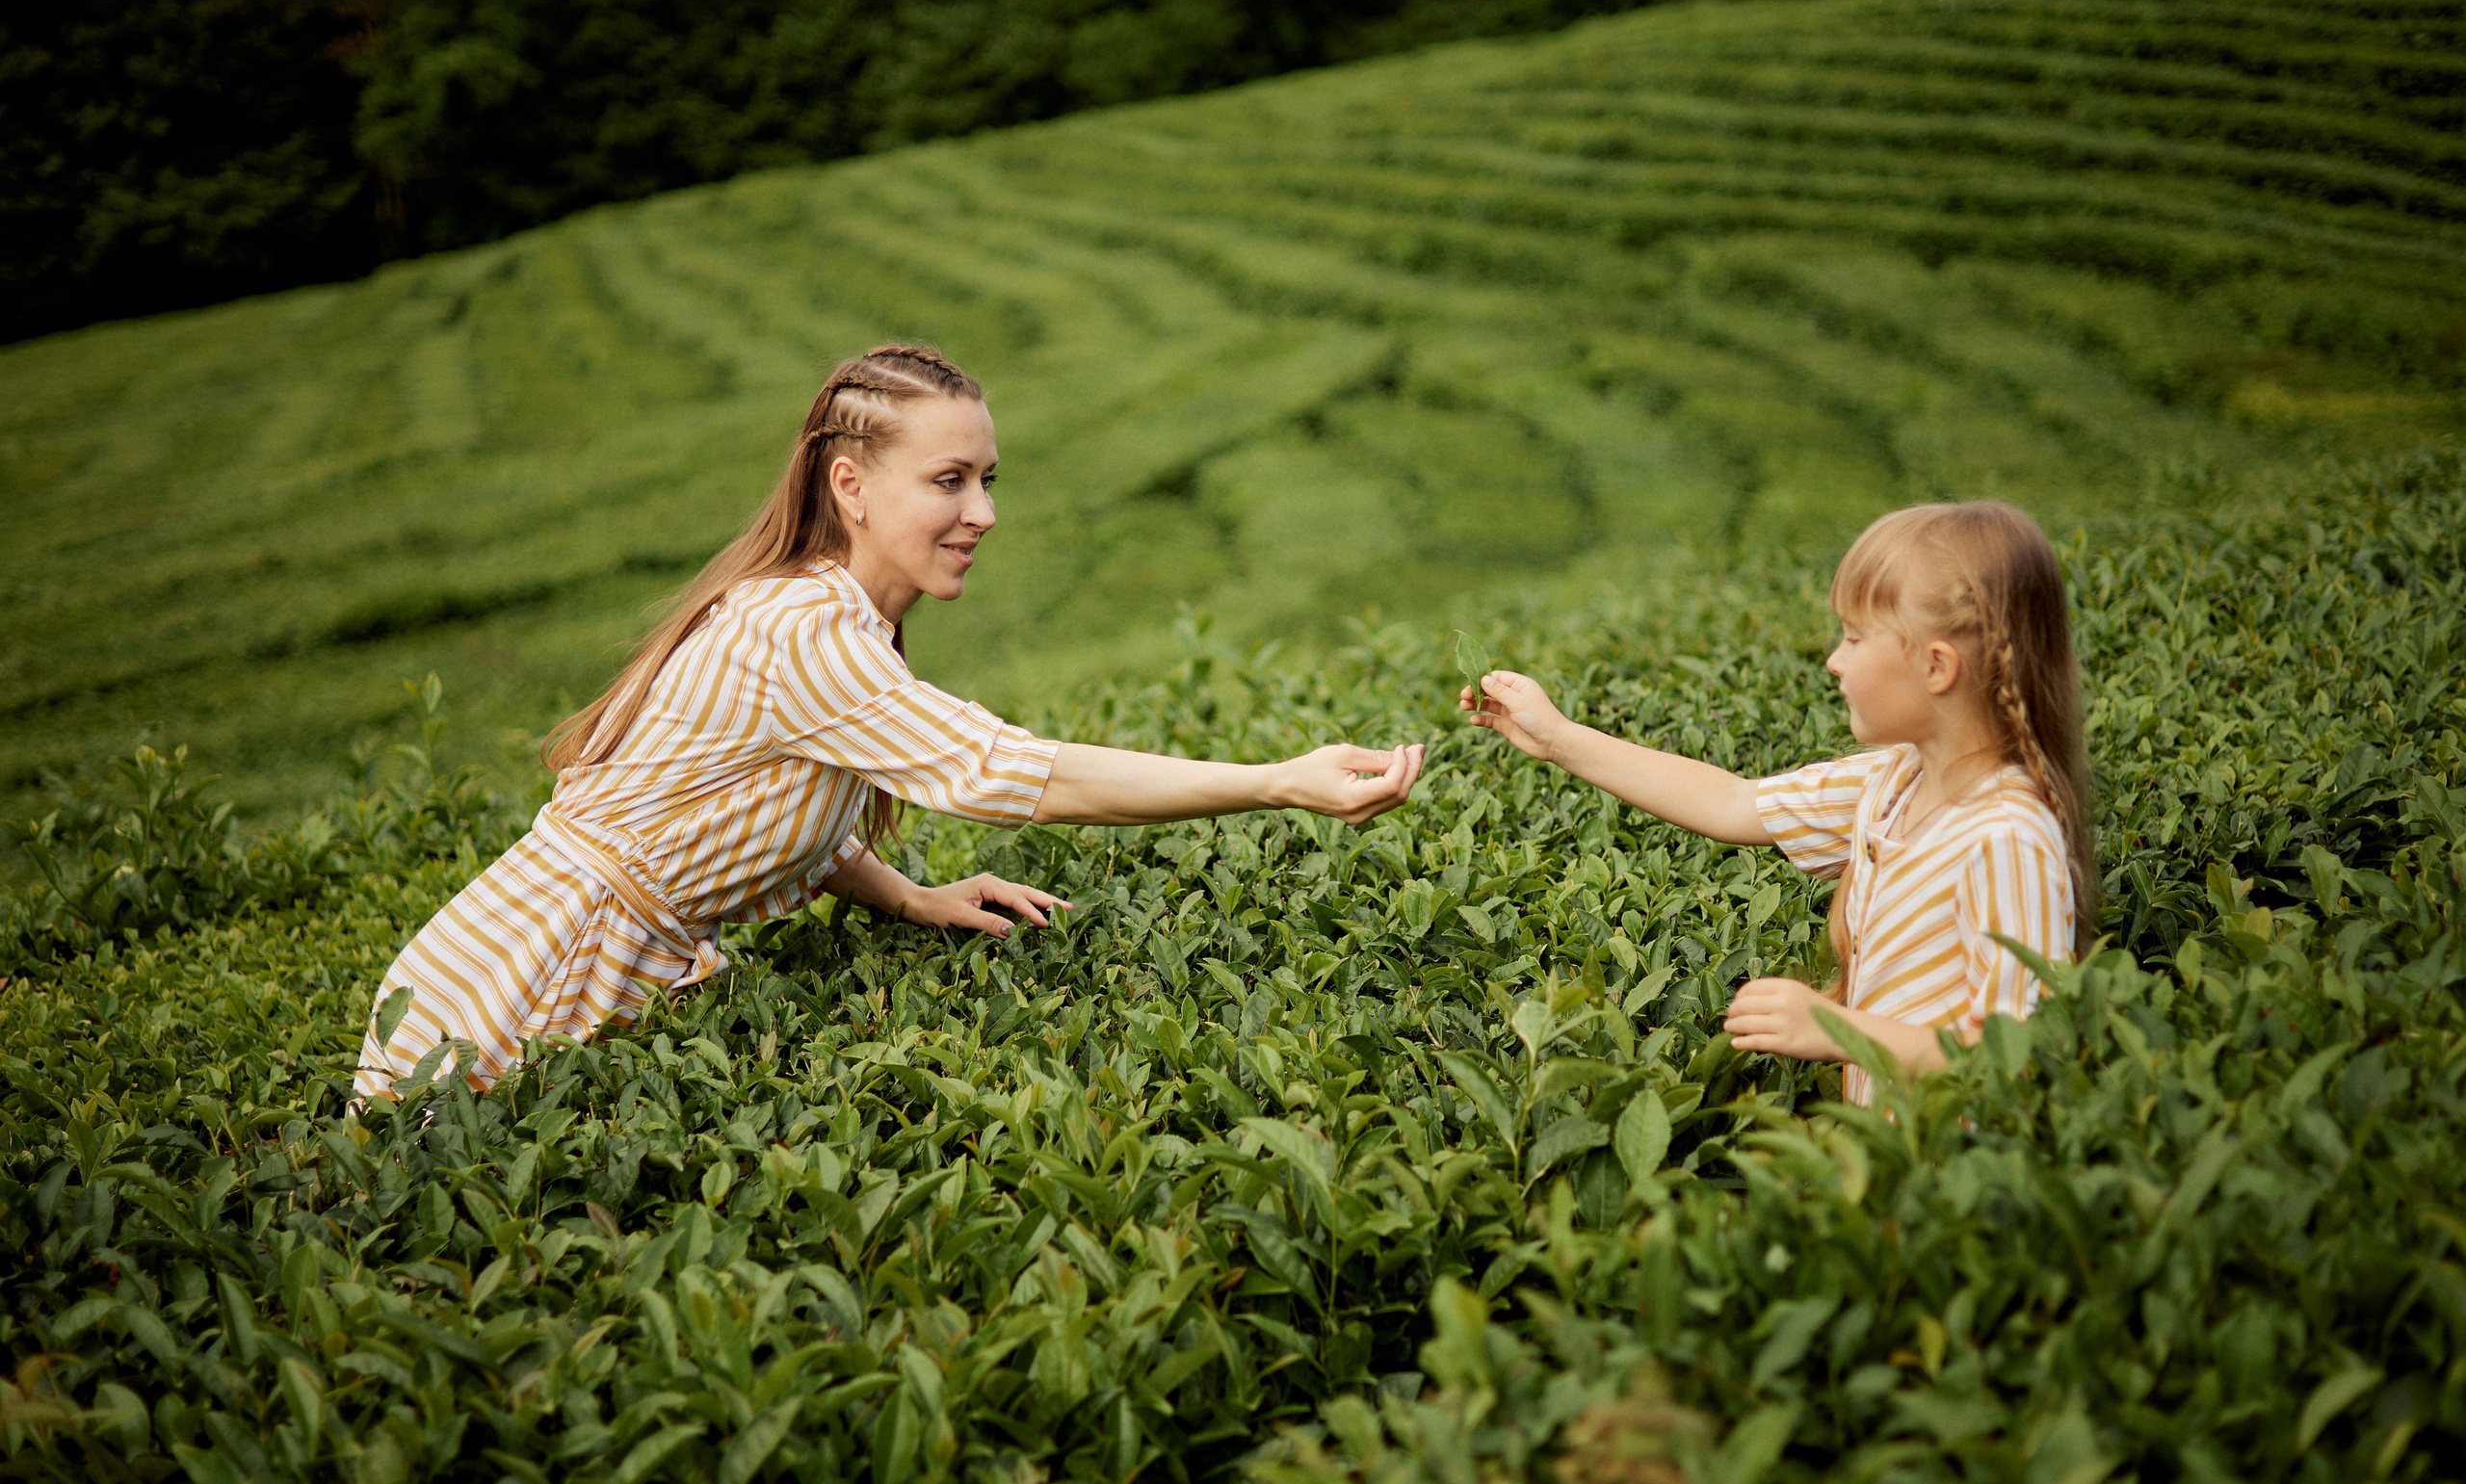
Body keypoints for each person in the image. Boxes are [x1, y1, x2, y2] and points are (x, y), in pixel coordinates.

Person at [356, 344, 1425, 1099]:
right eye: (950, 481)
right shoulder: (804, 631)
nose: (985, 514)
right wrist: (1279, 780)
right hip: (518, 986)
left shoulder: (830, 617)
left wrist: (909, 896)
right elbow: (1015, 776)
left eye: (988, 480)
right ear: (852, 486)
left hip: (569, 961)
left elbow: (767, 805)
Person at [1461, 501, 2092, 1103]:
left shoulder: (2008, 837)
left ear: (1936, 666)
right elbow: (1733, 803)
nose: (1833, 661)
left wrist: (1835, 1029)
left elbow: (2022, 1056)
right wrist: (1559, 737)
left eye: (1853, 637)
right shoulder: (1895, 781)